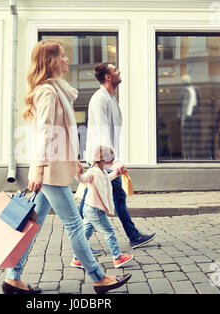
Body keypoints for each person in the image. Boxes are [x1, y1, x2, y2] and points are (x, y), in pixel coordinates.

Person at [1, 40, 131, 295]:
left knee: (32, 224)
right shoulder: (48, 92)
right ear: (51, 61)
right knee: (74, 223)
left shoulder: (57, 90)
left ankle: (12, 277)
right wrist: (38, 170)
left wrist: (76, 163)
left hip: (54, 169)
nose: (67, 60)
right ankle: (98, 277)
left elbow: (62, 135)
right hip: (49, 172)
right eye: (62, 56)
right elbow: (46, 134)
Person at [82, 62, 156, 249]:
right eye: (115, 70)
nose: (119, 71)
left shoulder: (111, 98)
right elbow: (103, 129)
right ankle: (81, 244)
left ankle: (131, 236)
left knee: (104, 198)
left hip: (106, 159)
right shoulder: (100, 99)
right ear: (108, 77)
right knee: (92, 202)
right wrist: (113, 160)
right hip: (101, 160)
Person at [71, 146, 134, 270]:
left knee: (85, 234)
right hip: (95, 209)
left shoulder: (102, 171)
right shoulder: (93, 171)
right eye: (109, 161)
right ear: (104, 161)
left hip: (90, 209)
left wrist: (117, 173)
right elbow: (82, 179)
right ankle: (117, 258)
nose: (110, 163)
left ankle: (77, 259)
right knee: (109, 232)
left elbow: (105, 180)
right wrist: (78, 172)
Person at [178, 74, 201, 159]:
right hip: (186, 115)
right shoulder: (183, 91)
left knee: (194, 135)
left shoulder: (195, 89)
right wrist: (179, 116)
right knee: (186, 136)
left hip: (194, 115)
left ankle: (193, 154)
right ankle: (187, 154)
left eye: (185, 80)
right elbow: (180, 105)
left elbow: (199, 102)